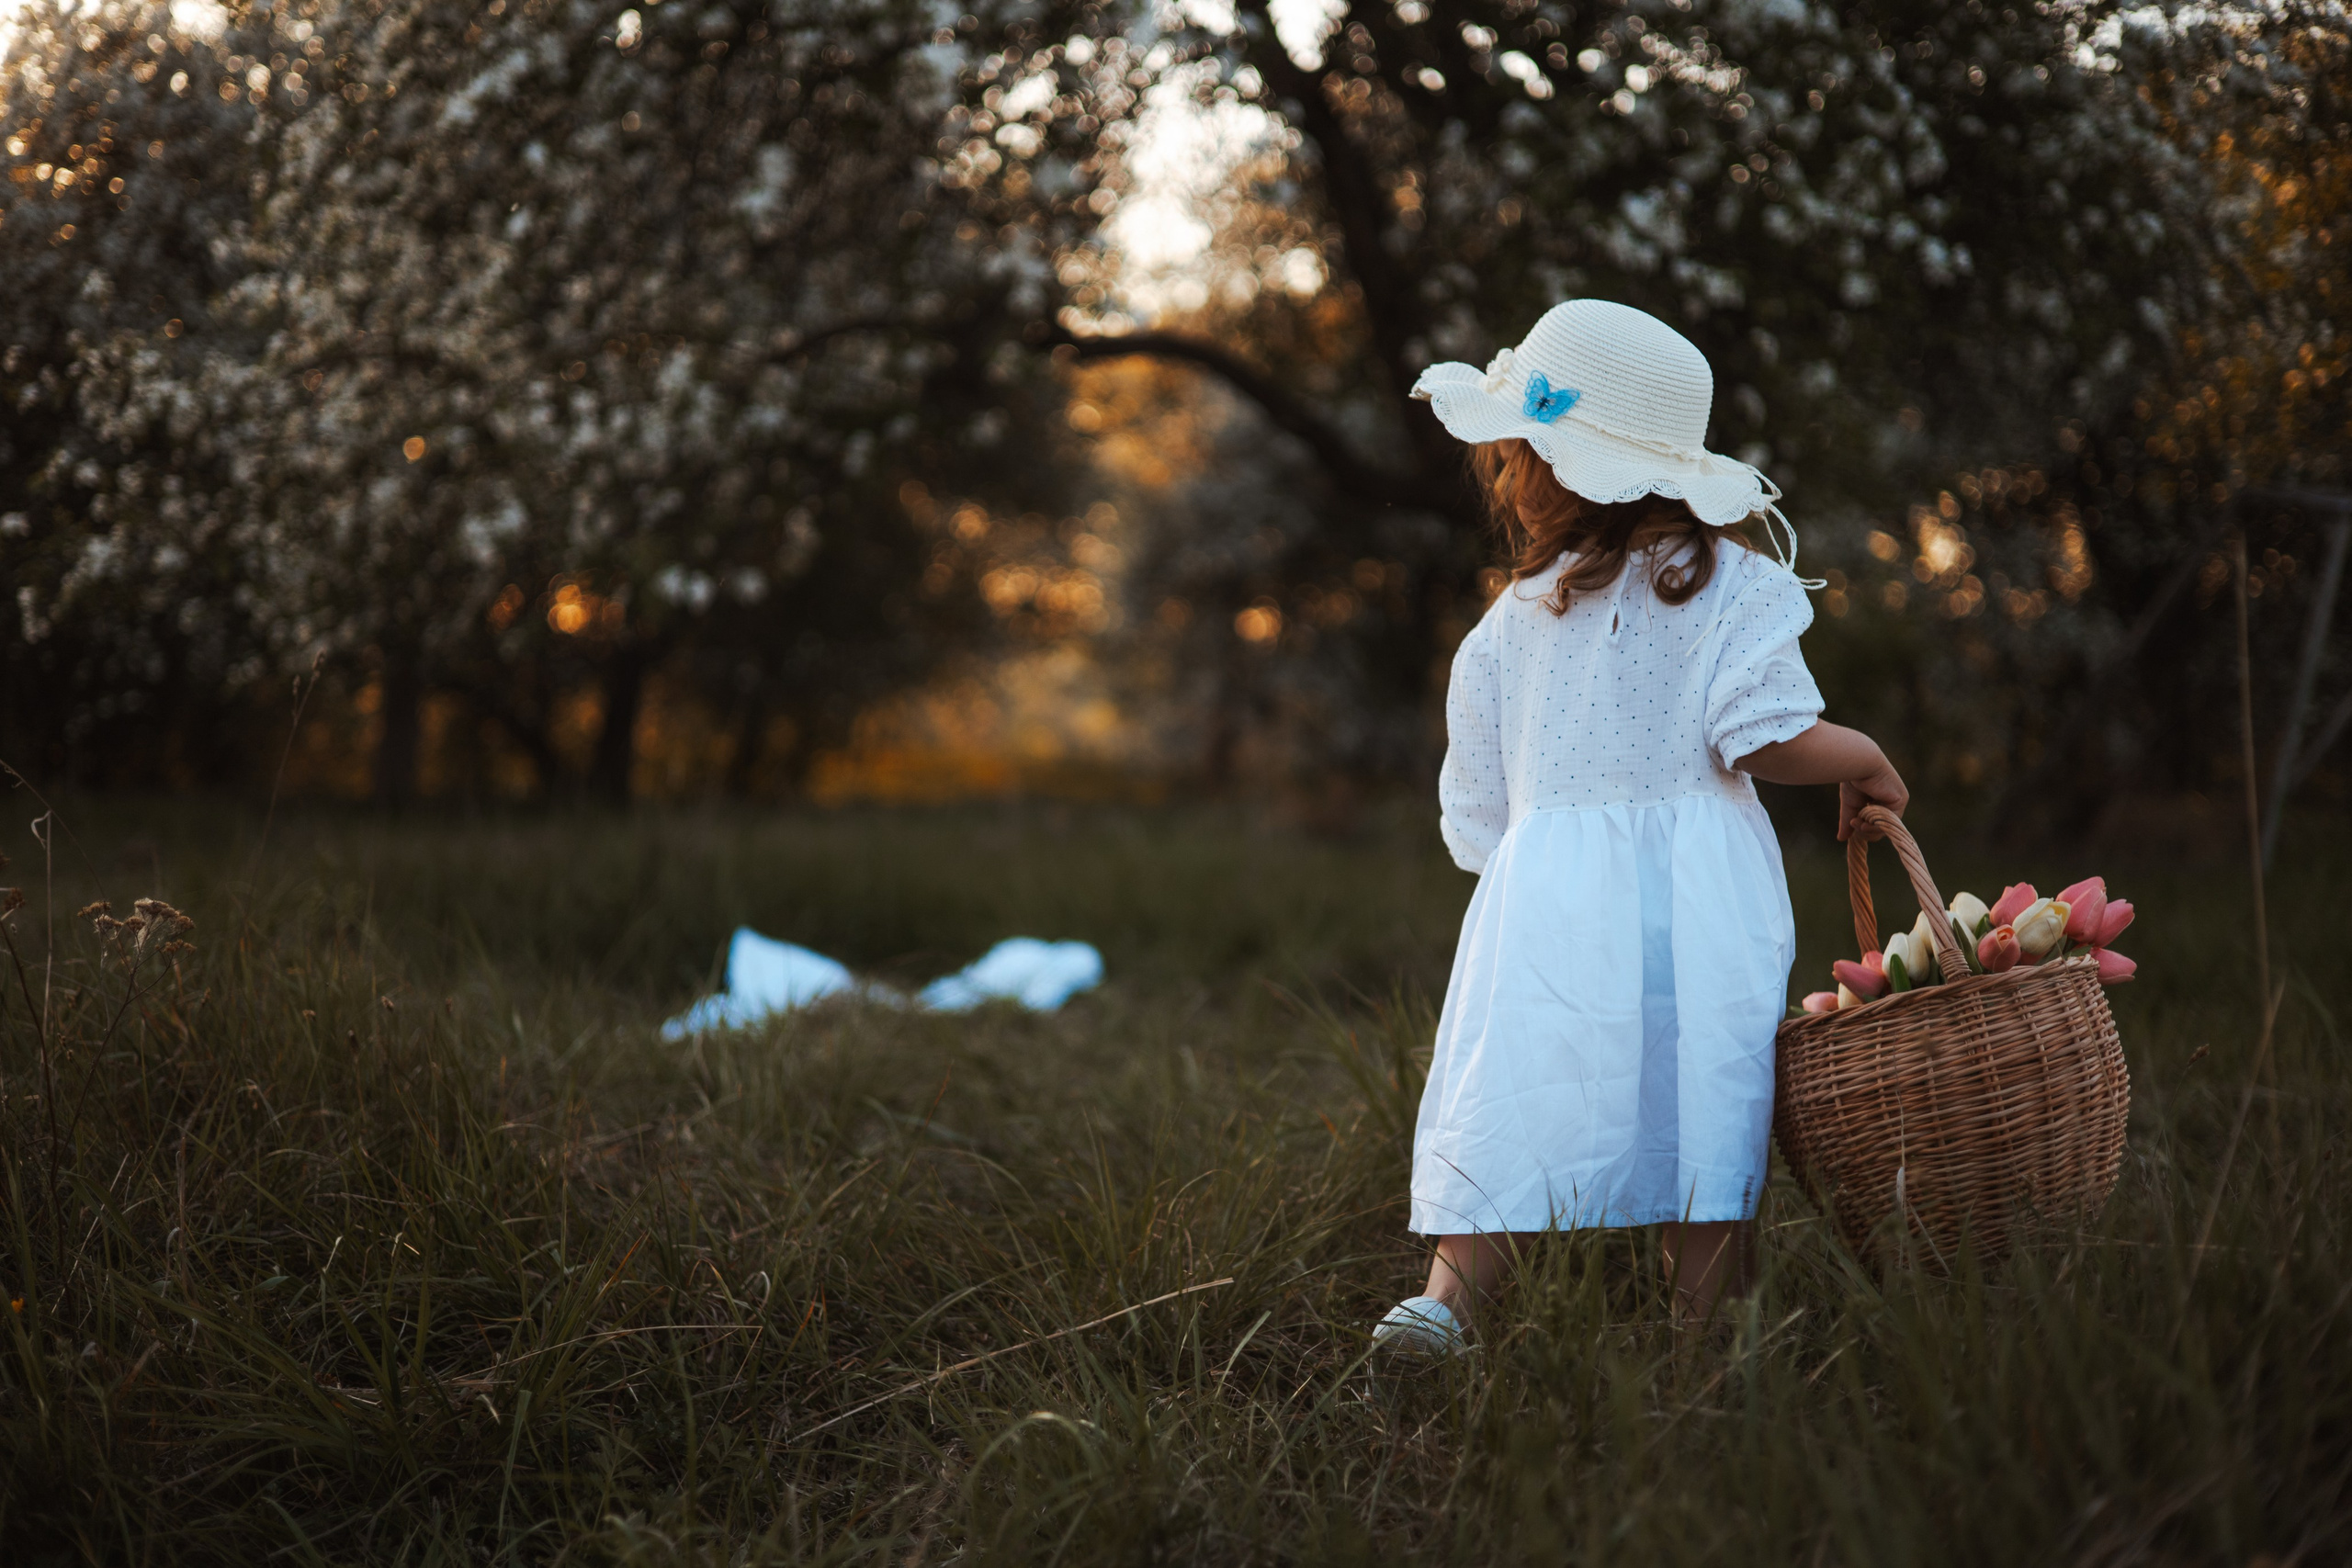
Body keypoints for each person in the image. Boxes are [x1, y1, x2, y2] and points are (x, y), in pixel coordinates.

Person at [1372, 300, 1907, 1353]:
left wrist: (1528, 868)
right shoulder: (1730, 590)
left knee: (1521, 1084)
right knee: (1702, 1095)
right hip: (1694, 908)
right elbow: (1762, 737)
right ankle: (1705, 1329)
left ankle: (1445, 1304)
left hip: (1542, 911)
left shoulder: (1511, 619)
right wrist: (1867, 758)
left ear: (1543, 468)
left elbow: (1477, 803)